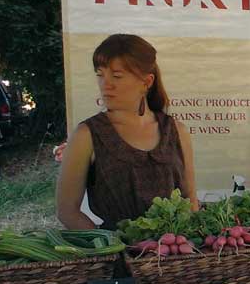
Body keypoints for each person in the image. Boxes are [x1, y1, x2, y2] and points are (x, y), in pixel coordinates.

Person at [56, 34, 199, 229]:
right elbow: (67, 211)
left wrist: (185, 244)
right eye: (100, 75)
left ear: (146, 82)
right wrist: (112, 247)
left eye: (117, 76)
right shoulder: (87, 135)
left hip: (174, 252)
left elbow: (190, 199)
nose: (105, 84)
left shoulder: (176, 131)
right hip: (117, 254)